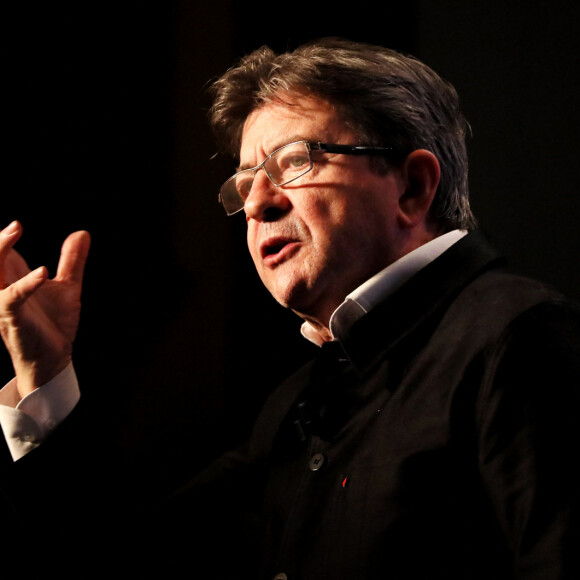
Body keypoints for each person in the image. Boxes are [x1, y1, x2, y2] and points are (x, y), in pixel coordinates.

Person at [0, 37, 578, 579]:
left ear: (413, 187)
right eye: (245, 181)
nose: (257, 204)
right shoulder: (296, 403)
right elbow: (128, 558)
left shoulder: (521, 337)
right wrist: (45, 379)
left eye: (295, 161)